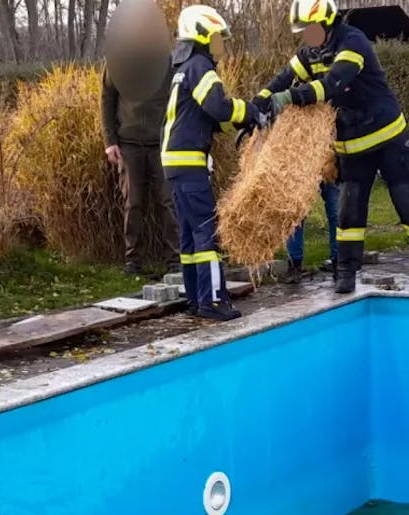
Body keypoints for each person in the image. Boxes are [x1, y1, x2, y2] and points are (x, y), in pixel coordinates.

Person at [257, 0, 409, 295]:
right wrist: (258, 103)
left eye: (311, 29)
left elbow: (332, 85)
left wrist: (289, 97)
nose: (307, 36)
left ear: (328, 23)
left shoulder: (353, 42)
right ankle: (346, 273)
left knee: (408, 203)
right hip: (352, 144)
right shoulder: (310, 53)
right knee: (349, 213)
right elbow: (281, 80)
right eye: (304, 31)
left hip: (388, 136)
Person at [163, 5, 267, 321]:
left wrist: (238, 122)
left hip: (176, 162)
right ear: (203, 36)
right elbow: (219, 107)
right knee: (208, 233)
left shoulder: (183, 69)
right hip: (188, 161)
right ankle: (214, 302)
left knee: (191, 235)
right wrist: (251, 113)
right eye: (218, 38)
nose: (221, 45)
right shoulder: (200, 67)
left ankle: (196, 299)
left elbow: (207, 116)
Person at [101, 0, 179, 277]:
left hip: (161, 144)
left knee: (168, 201)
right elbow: (107, 101)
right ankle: (133, 260)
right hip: (128, 144)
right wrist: (110, 141)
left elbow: (177, 100)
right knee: (133, 203)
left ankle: (175, 259)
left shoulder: (168, 61)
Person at [285, 181, 339, 280]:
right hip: (304, 170)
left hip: (329, 169)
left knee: (337, 214)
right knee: (297, 213)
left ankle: (339, 262)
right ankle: (294, 264)